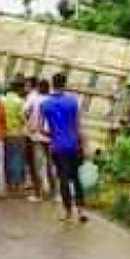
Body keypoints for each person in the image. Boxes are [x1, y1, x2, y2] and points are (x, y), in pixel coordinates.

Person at [40, 73, 88, 222]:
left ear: (53, 85)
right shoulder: (73, 102)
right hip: (73, 146)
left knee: (63, 180)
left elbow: (41, 128)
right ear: (65, 84)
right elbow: (78, 126)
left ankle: (67, 213)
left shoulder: (45, 104)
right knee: (76, 179)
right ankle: (80, 211)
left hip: (57, 148)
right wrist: (84, 145)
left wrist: (53, 134)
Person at [1, 76, 26, 194]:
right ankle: (17, 185)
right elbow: (23, 118)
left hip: (6, 133)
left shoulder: (3, 100)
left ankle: (9, 184)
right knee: (18, 159)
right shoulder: (20, 101)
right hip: (18, 133)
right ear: (19, 88)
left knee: (8, 158)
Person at [22, 77, 43, 202]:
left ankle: (37, 191)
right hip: (47, 135)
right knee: (45, 164)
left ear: (31, 86)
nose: (25, 87)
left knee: (34, 163)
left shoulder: (31, 97)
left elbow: (23, 112)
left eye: (26, 85)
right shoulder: (43, 97)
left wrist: (28, 125)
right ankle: (50, 190)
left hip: (33, 135)